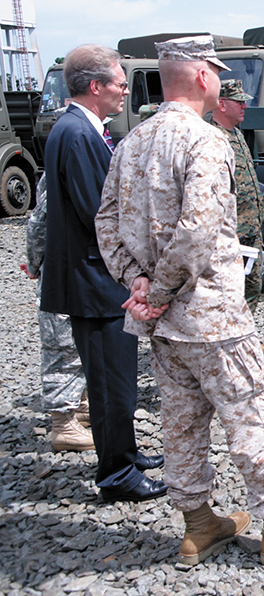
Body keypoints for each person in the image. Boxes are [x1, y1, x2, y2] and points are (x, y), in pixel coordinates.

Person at [96, 36, 264, 566]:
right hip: (210, 316)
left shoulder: (132, 140)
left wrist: (136, 285)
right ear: (204, 76)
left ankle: (199, 525)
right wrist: (156, 292)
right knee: (252, 413)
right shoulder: (206, 141)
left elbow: (106, 224)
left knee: (182, 422)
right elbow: (199, 230)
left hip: (161, 325)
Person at [40, 44, 166, 502]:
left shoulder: (77, 128)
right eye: (118, 82)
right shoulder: (77, 134)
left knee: (120, 379)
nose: (124, 90)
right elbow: (101, 214)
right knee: (111, 383)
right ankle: (116, 475)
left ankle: (126, 454)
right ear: (95, 87)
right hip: (95, 283)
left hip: (97, 278)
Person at [208, 79, 264, 358]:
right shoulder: (211, 137)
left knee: (251, 288)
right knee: (227, 293)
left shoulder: (236, 133)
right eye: (239, 101)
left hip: (251, 229)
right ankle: (225, 346)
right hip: (231, 233)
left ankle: (244, 339)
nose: (245, 106)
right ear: (221, 104)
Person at [24, 173, 93, 452]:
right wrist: (34, 263)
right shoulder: (64, 160)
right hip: (59, 272)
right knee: (62, 347)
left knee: (78, 344)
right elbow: (38, 223)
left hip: (73, 269)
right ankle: (62, 424)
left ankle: (79, 404)